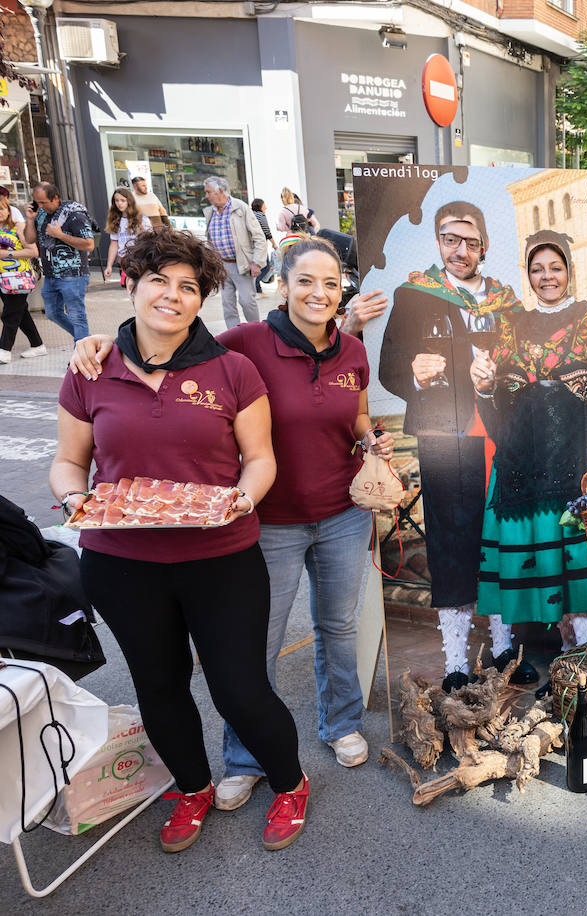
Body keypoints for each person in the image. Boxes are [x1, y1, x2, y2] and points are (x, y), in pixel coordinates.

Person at [68, 237, 395, 808]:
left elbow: (360, 411)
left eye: (330, 283)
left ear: (341, 291)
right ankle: (244, 760)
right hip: (271, 520)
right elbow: (173, 346)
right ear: (283, 285)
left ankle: (340, 724)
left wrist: (370, 437)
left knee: (338, 628)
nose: (318, 293)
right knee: (252, 653)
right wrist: (101, 342)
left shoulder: (353, 352)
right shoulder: (245, 344)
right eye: (304, 281)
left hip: (341, 512)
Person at [49, 227, 308, 853]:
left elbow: (260, 459)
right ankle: (191, 788)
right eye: (158, 280)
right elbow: (68, 462)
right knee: (158, 687)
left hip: (221, 558)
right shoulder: (91, 370)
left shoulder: (232, 370)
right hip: (122, 562)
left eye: (187, 286)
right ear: (131, 285)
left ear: (201, 299)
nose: (172, 295)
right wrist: (73, 499)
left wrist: (242, 500)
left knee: (239, 688)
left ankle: (289, 783)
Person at [470, 230, 587, 654]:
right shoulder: (509, 325)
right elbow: (499, 402)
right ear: (528, 274)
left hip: (581, 463)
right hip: (528, 466)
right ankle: (567, 660)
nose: (547, 276)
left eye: (555, 267)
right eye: (537, 269)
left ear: (569, 270)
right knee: (551, 570)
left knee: (585, 574)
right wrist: (483, 389)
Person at [378, 201, 527, 691]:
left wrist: (502, 377)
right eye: (450, 239)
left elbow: (527, 366)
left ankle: (505, 648)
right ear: (438, 242)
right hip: (445, 437)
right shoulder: (414, 295)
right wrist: (414, 377)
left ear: (485, 244)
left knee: (500, 539)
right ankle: (456, 661)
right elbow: (389, 369)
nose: (460, 250)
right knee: (450, 543)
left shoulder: (507, 302)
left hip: (500, 435)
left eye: (470, 240)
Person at [25, 182, 95, 342]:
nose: (40, 206)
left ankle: (83, 352)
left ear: (55, 198)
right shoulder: (40, 215)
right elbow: (29, 239)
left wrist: (60, 235)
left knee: (77, 316)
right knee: (52, 313)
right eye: (37, 202)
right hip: (50, 275)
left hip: (73, 275)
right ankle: (86, 340)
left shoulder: (75, 215)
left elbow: (89, 244)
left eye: (43, 202)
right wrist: (30, 220)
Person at [202, 177, 269, 328]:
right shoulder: (210, 212)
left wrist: (257, 262)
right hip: (222, 266)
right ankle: (233, 334)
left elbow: (259, 237)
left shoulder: (240, 208)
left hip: (242, 264)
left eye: (208, 192)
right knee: (227, 304)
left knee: (247, 301)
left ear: (220, 191)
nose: (206, 196)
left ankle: (256, 331)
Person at [0, 203, 43, 362]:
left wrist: (6, 254)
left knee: (10, 314)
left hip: (17, 277)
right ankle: (38, 345)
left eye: (1, 208)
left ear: (8, 210)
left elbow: (33, 251)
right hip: (2, 278)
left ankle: (4, 350)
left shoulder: (19, 227)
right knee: (20, 312)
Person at [102, 187, 152, 283]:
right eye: (116, 200)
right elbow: (114, 243)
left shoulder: (142, 219)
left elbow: (150, 240)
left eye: (123, 200)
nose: (119, 203)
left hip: (139, 260)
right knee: (128, 288)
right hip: (124, 262)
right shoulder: (115, 219)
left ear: (129, 201)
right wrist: (109, 266)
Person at [250, 197, 278, 295]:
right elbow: (267, 231)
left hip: (251, 244)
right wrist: (274, 243)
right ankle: (255, 285)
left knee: (256, 265)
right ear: (260, 206)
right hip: (260, 245)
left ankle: (258, 290)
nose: (265, 207)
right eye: (264, 205)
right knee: (265, 266)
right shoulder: (261, 215)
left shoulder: (250, 214)